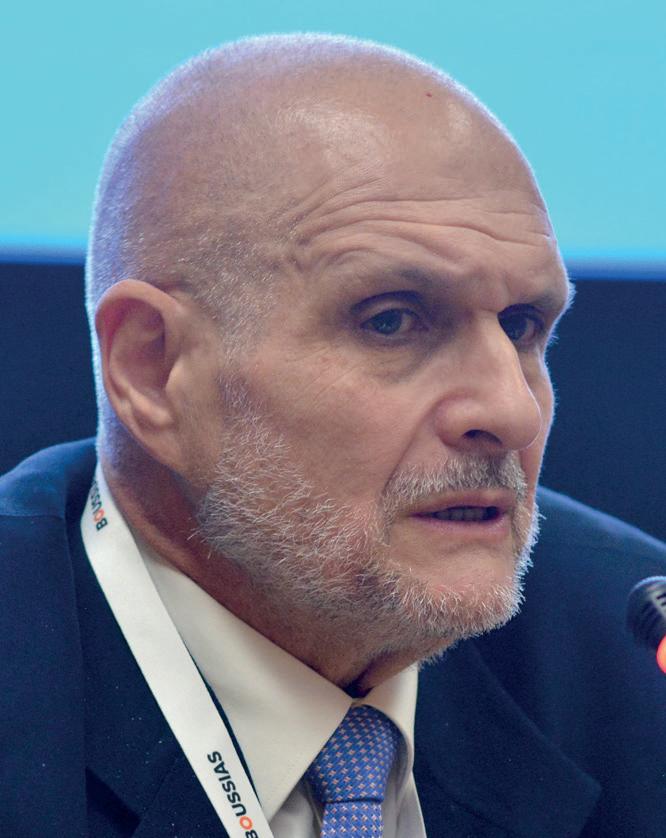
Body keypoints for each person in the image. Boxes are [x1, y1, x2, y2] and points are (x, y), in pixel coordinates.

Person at [1, 33, 664, 838]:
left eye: (522, 325)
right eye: (392, 321)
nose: (512, 411)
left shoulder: (638, 659)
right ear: (155, 371)